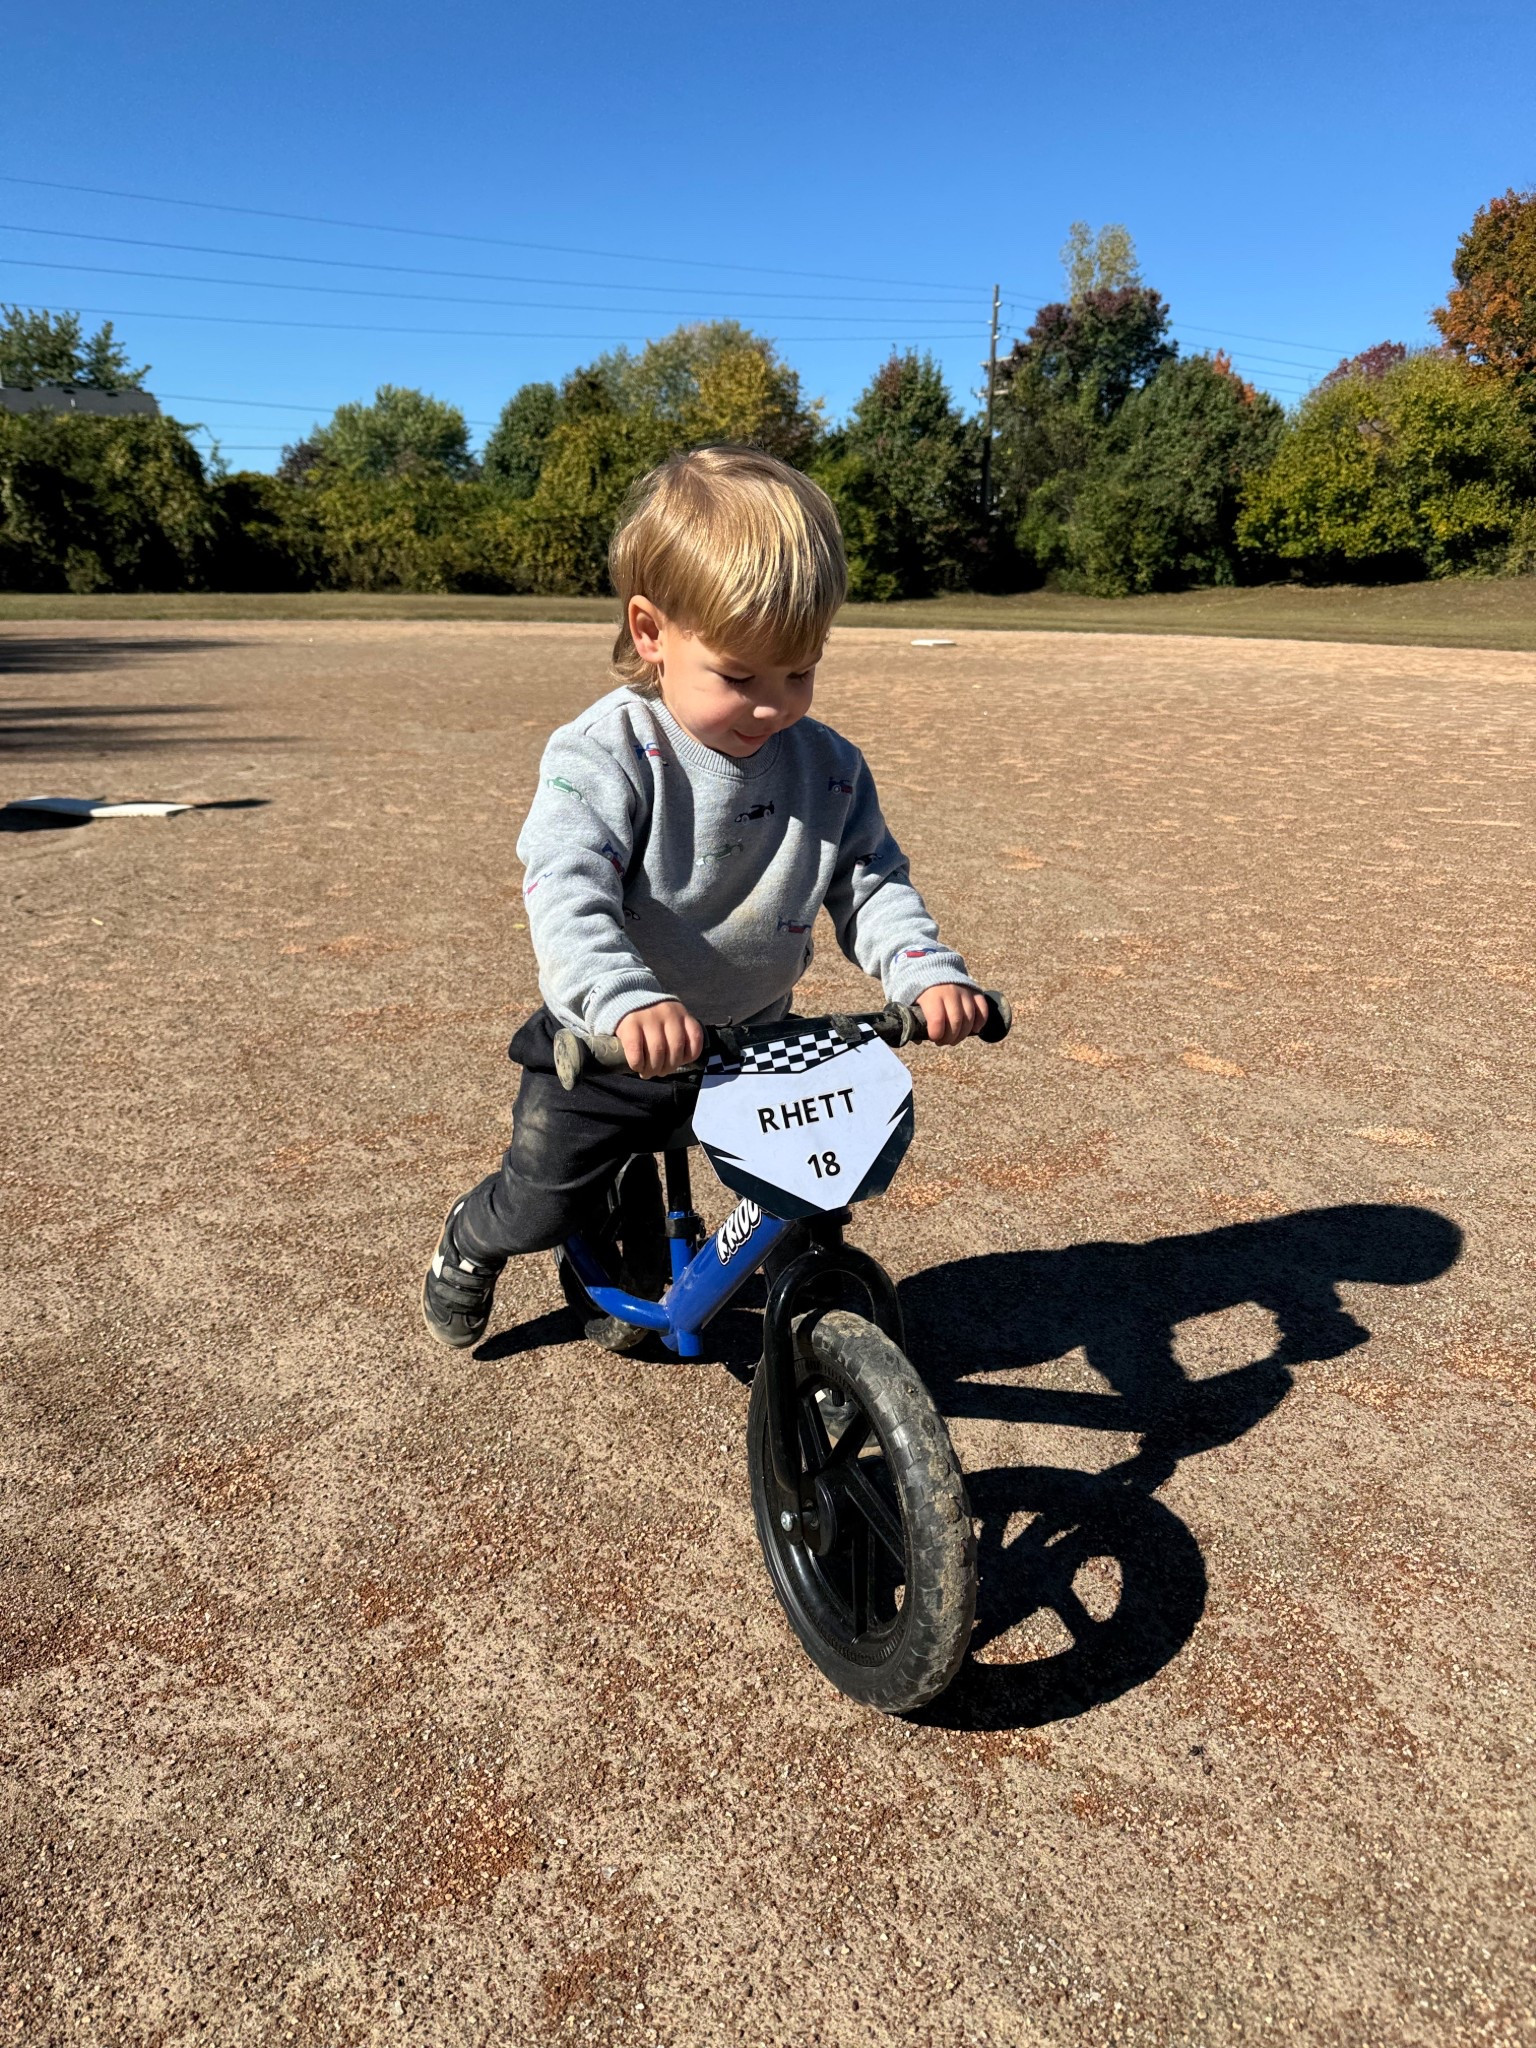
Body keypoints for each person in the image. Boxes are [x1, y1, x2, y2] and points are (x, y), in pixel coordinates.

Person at [422, 445, 988, 1349]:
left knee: (813, 1192)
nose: (774, 707)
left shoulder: (829, 768)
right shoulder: (606, 752)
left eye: (800, 671)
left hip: (753, 1041)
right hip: (610, 1045)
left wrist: (924, 973)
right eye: (739, 677)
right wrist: (626, 999)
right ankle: (474, 1238)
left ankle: (818, 1349)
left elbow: (871, 879)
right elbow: (567, 890)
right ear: (652, 632)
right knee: (538, 1200)